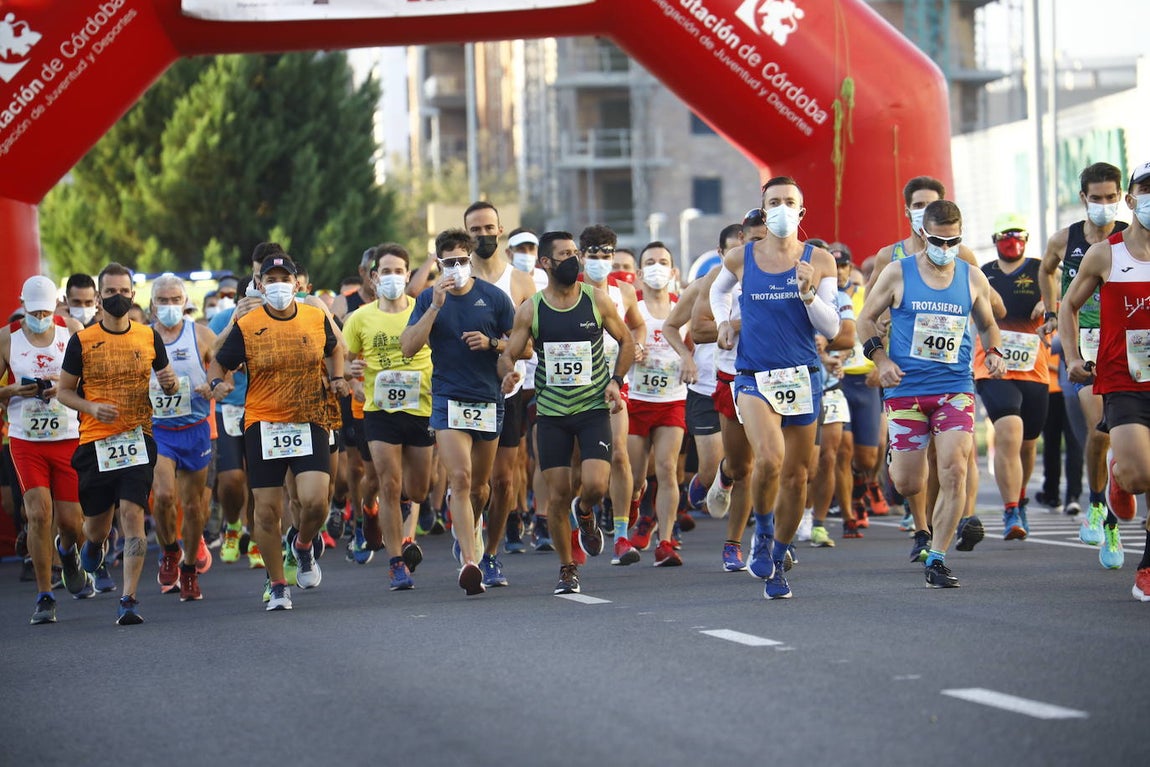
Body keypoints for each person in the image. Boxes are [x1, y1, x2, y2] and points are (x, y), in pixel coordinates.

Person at [858, 200, 1007, 589]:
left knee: (955, 469)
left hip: (954, 389)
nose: (946, 248)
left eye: (953, 240)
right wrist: (880, 360)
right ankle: (897, 459)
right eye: (939, 240)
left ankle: (937, 557)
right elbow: (865, 319)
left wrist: (994, 351)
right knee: (908, 484)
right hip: (906, 390)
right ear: (923, 233)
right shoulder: (897, 272)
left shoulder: (972, 276)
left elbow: (989, 323)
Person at [710, 177, 841, 599]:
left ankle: (780, 558)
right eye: (774, 202)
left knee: (798, 476)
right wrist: (724, 322)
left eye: (790, 202)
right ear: (764, 211)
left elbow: (832, 328)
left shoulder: (820, 260)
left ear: (801, 211)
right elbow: (717, 291)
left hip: (802, 375)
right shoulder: (741, 256)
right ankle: (763, 533)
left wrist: (808, 294)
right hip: (754, 375)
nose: (782, 208)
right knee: (768, 459)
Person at [209, 254, 346, 611]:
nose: (279, 285)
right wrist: (217, 383)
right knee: (267, 512)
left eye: (285, 278)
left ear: (297, 283)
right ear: (259, 285)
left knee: (316, 501)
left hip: (309, 418)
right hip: (263, 423)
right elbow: (218, 362)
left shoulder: (315, 316)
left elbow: (335, 349)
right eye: (271, 279)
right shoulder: (248, 324)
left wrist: (337, 377)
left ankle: (302, 545)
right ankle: (278, 584)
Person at [499, 231, 633, 593]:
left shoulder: (596, 299)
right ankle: (567, 567)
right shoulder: (532, 308)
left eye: (575, 252)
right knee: (557, 494)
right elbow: (509, 353)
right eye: (565, 254)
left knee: (596, 485)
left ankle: (585, 511)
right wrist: (508, 372)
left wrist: (616, 381)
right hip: (552, 413)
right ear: (546, 262)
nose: (574, 259)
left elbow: (627, 340)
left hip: (592, 407)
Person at [57, 263, 181, 625]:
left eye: (124, 291)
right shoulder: (82, 341)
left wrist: (170, 384)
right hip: (95, 442)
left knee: (132, 515)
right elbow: (64, 392)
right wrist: (91, 407)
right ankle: (89, 546)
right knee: (95, 528)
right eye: (110, 292)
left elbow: (168, 380)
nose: (118, 297)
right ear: (99, 297)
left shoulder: (148, 336)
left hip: (137, 438)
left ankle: (129, 599)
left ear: (133, 295)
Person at [400, 229, 516, 596]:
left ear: (471, 261)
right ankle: (470, 563)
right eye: (448, 262)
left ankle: (469, 529)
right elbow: (408, 347)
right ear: (438, 264)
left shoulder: (494, 298)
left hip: (488, 399)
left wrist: (493, 344)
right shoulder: (427, 298)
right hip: (448, 398)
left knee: (480, 488)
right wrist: (434, 307)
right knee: (461, 479)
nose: (456, 267)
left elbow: (520, 345)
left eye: (461, 261)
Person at [1062, 160, 1150, 599]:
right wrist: (1072, 356)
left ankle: (1146, 566)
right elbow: (1068, 305)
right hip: (1123, 378)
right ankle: (1115, 476)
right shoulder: (1105, 253)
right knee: (1138, 476)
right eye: (1147, 190)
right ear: (1132, 200)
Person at [1040, 161, 1132, 557]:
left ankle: (1111, 511)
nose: (1104, 204)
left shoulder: (1130, 239)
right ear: (1083, 198)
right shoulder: (1065, 239)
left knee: (1122, 437)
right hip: (1083, 345)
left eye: (1111, 197)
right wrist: (1050, 311)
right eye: (1097, 198)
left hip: (1126, 344)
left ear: (1121, 197)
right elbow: (1046, 270)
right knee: (1099, 431)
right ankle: (1099, 508)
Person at [344, 243, 433, 590]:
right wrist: (353, 379)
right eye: (386, 271)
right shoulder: (360, 317)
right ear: (374, 277)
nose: (393, 277)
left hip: (420, 408)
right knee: (389, 484)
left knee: (418, 490)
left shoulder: (422, 310)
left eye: (399, 271)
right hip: (379, 411)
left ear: (408, 275)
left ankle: (385, 513)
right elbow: (344, 361)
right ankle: (396, 562)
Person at [0, 277, 89, 624]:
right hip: (26, 439)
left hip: (66, 436)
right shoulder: (7, 338)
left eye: (45, 312)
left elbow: (91, 381)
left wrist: (62, 388)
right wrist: (12, 392)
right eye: (34, 312)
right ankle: (44, 595)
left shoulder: (73, 331)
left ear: (56, 307)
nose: (40, 317)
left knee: (71, 522)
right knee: (38, 513)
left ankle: (67, 554)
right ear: (22, 305)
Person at [464, 201, 538, 587]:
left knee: (504, 480)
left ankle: (491, 554)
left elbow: (527, 346)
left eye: (488, 228)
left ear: (500, 229)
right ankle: (469, 536)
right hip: (464, 392)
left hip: (507, 394)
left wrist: (497, 347)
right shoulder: (457, 278)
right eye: (475, 230)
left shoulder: (521, 282)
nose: (483, 235)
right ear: (466, 236)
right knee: (471, 482)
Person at [975, 213, 1048, 543]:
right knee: (1008, 431)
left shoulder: (1041, 269)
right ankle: (1010, 510)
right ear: (995, 240)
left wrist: (1049, 303)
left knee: (1028, 444)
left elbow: (1067, 294)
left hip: (1033, 367)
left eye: (1018, 235)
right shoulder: (983, 273)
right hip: (992, 365)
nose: (1012, 241)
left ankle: (1020, 497)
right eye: (1005, 235)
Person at [578, 224, 646, 564]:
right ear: (582, 257)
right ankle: (583, 514)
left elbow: (637, 325)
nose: (601, 261)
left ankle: (621, 537)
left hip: (615, 382)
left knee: (619, 453)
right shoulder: (571, 290)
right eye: (594, 255)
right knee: (581, 464)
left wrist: (638, 345)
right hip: (576, 386)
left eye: (607, 254)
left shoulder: (625, 292)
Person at [148, 274, 218, 601]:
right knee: (163, 496)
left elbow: (225, 377)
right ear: (152, 304)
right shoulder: (142, 338)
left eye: (175, 300)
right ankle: (169, 551)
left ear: (185, 302)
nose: (169, 306)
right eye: (163, 300)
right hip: (159, 430)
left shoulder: (201, 335)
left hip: (195, 429)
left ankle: (189, 569)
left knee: (192, 507)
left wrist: (214, 386)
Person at [627, 242, 690, 566]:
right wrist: (631, 352)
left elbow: (694, 346)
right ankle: (635, 510)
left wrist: (689, 359)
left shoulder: (682, 308)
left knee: (667, 468)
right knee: (636, 478)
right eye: (650, 262)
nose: (657, 268)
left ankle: (665, 542)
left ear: (673, 271)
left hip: (671, 400)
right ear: (639, 273)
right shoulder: (632, 308)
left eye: (663, 262)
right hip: (636, 400)